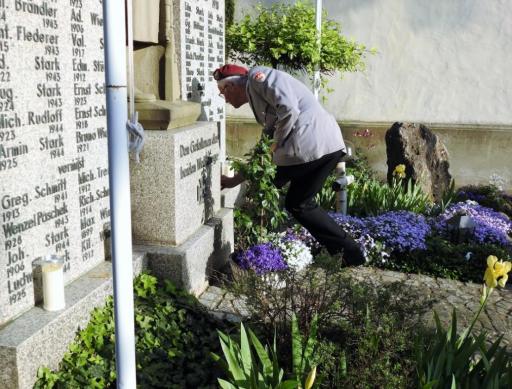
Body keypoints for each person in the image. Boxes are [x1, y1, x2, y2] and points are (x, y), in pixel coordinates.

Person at [215, 64, 365, 266]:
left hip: (307, 146)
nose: (224, 99)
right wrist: (235, 180)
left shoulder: (259, 77)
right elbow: (264, 146)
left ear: (230, 86)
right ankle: (351, 255)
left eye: (222, 92)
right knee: (299, 204)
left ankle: (257, 253)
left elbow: (289, 109)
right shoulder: (256, 98)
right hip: (324, 147)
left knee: (263, 189)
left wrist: (275, 144)